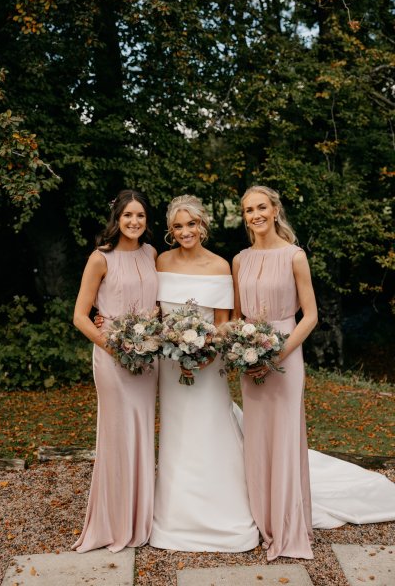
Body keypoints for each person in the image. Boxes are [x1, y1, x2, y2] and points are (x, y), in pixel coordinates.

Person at [149, 194, 259, 552]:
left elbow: (225, 322)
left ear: (203, 225)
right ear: (170, 230)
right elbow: (156, 315)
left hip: (210, 365)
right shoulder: (161, 261)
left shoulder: (219, 265)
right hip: (170, 365)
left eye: (191, 224)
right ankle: (176, 516)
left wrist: (208, 352)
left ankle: (224, 511)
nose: (185, 231)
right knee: (178, 433)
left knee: (212, 426)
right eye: (178, 226)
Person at [232, 185, 317, 561]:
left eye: (261, 207)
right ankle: (261, 519)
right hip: (249, 356)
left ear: (275, 209)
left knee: (284, 436)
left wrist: (276, 353)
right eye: (249, 209)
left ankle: (286, 524)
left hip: (285, 353)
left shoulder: (295, 256)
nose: (256, 215)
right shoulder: (239, 260)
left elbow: (311, 316)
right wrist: (243, 349)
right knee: (257, 437)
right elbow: (235, 316)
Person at [72, 189, 158, 553]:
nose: (134, 222)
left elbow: (157, 303)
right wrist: (116, 346)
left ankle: (141, 518)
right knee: (116, 434)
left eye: (140, 216)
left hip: (148, 357)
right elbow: (80, 316)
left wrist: (152, 328)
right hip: (112, 357)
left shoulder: (152, 253)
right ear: (117, 220)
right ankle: (112, 522)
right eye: (128, 216)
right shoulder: (100, 259)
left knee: (141, 432)